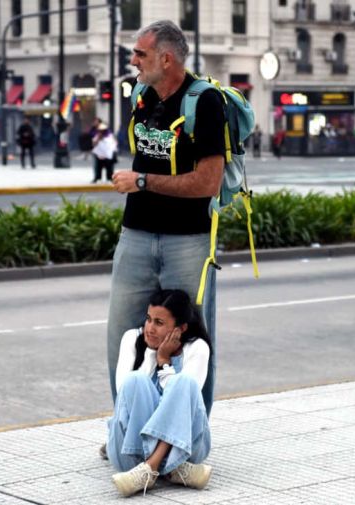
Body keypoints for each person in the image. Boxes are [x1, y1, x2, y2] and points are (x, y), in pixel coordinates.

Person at [109, 20, 225, 420]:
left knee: (190, 342)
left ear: (166, 58)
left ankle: (189, 434)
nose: (133, 61)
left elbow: (209, 182)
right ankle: (126, 426)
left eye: (140, 54)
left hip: (187, 242)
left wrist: (141, 180)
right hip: (136, 236)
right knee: (125, 339)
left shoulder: (205, 102)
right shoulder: (142, 94)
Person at [107, 289, 213, 497]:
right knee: (134, 380)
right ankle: (173, 468)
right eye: (148, 319)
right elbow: (124, 395)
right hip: (131, 452)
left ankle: (150, 468)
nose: (149, 328)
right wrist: (153, 354)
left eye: (159, 323)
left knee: (184, 383)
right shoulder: (132, 339)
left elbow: (181, 404)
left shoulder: (197, 348)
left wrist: (165, 363)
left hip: (188, 450)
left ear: (181, 328)